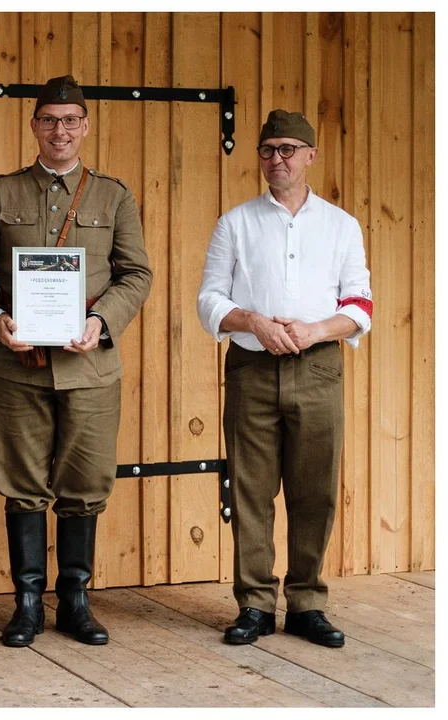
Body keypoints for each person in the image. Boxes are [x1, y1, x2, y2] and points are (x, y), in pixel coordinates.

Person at [0, 76, 152, 648]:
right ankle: (27, 603)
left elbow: (136, 273)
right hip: (17, 367)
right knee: (21, 483)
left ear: (85, 126)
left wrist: (102, 321)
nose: (60, 131)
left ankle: (76, 601)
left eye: (70, 121)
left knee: (85, 483)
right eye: (49, 120)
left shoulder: (113, 196)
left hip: (89, 368)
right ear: (34, 125)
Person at [197, 109, 372, 649]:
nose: (278, 159)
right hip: (252, 367)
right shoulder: (235, 222)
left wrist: (317, 327)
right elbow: (209, 300)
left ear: (310, 156)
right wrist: (252, 321)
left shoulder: (341, 225)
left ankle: (307, 604)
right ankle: (253, 603)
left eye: (289, 150)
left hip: (318, 368)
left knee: (314, 489)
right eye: (269, 150)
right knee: (250, 489)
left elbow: (360, 305)